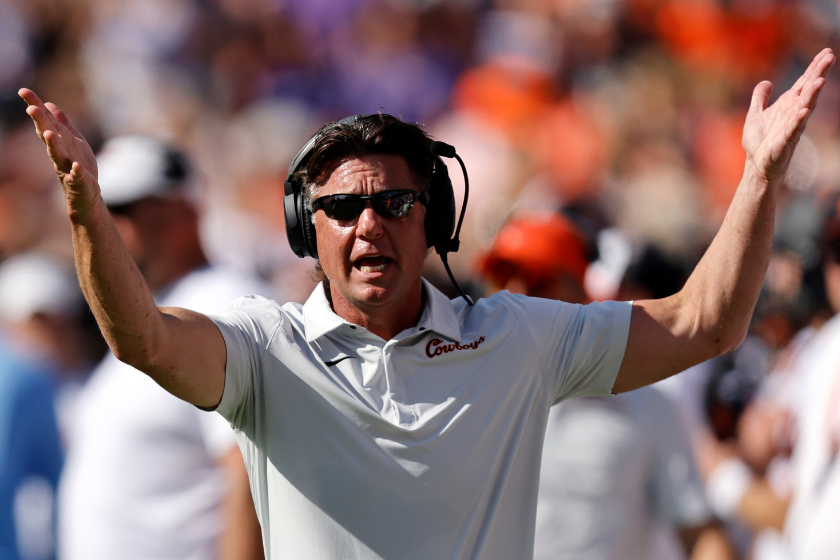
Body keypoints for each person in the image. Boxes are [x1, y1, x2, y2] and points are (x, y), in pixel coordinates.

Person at [18, 47, 835, 559]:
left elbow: (705, 321)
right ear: (309, 228)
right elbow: (143, 339)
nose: (368, 224)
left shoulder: (517, 335)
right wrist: (89, 210)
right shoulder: (263, 348)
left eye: (396, 205)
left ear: (434, 221)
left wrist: (758, 180)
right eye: (341, 208)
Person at [54, 136, 266, 560]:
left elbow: (252, 472)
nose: (100, 222)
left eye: (122, 209)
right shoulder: (150, 311)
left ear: (183, 211)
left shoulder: (226, 300)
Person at [478, 214, 727, 560]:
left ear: (579, 290)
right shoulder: (468, 396)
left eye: (536, 279)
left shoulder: (649, 405)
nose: (514, 296)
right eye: (501, 278)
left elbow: (700, 536)